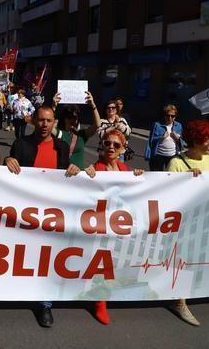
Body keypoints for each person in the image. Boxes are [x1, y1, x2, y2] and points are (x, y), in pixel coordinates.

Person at [4, 105, 81, 327]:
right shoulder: (21, 144)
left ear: (54, 122)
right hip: (24, 214)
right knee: (20, 256)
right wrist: (7, 161)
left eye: (49, 120)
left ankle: (45, 305)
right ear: (33, 121)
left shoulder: (61, 147)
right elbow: (6, 176)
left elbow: (68, 174)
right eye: (40, 120)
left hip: (51, 215)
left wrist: (74, 169)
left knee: (47, 260)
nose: (44, 125)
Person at [164, 119, 209, 326]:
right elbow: (166, 194)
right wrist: (184, 179)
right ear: (198, 141)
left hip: (206, 218)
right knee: (182, 259)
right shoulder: (176, 163)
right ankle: (180, 301)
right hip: (184, 222)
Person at [83, 129, 144, 325]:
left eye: (116, 145)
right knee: (98, 262)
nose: (111, 147)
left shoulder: (126, 170)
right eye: (108, 143)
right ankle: (98, 300)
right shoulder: (96, 167)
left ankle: (101, 298)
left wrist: (139, 177)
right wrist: (87, 174)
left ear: (123, 149)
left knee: (110, 263)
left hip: (118, 223)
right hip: (98, 223)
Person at [52, 91, 101, 168]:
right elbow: (49, 126)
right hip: (62, 175)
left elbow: (97, 125)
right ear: (64, 119)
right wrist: (53, 107)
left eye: (75, 117)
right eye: (69, 117)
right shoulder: (60, 133)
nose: (72, 120)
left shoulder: (81, 135)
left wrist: (93, 105)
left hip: (78, 177)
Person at [144, 104, 184, 171]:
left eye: (172, 116)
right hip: (158, 155)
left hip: (172, 155)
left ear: (175, 117)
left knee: (170, 176)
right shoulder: (157, 125)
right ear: (165, 115)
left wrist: (177, 138)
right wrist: (162, 137)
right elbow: (151, 141)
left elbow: (181, 142)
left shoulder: (178, 126)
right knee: (157, 176)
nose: (170, 118)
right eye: (168, 115)